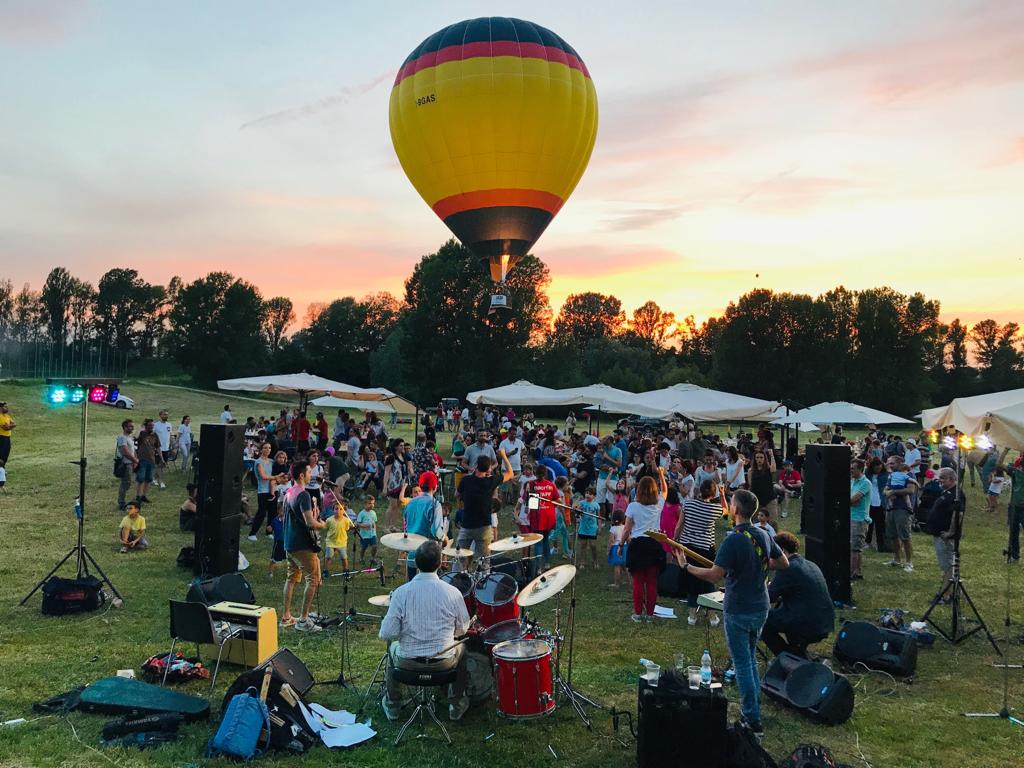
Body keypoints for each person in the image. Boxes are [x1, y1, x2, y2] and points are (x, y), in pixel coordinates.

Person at [675, 489, 788, 741]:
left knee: (743, 664)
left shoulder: (733, 539)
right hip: (761, 607)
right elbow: (783, 563)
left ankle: (752, 720)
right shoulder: (763, 533)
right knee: (748, 659)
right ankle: (753, 709)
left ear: (735, 510)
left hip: (740, 609)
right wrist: (756, 566)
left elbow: (715, 575)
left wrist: (686, 567)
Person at [379, 541, 472, 722]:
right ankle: (457, 704)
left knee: (392, 649)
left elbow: (386, 633)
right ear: (439, 563)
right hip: (443, 662)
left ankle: (393, 705)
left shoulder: (401, 593)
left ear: (416, 564)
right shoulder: (453, 592)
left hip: (408, 663)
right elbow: (462, 629)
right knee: (462, 648)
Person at [762, 531, 835, 657]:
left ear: (782, 551)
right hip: (825, 621)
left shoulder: (788, 568)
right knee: (780, 613)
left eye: (771, 554)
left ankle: (788, 657)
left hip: (807, 623)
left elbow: (768, 598)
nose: (768, 559)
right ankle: (796, 652)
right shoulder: (810, 564)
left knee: (760, 620)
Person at [281, 460, 326, 631]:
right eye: (309, 472)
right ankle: (303, 620)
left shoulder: (289, 492)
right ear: (301, 475)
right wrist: (323, 524)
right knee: (313, 580)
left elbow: (293, 518)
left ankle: (286, 617)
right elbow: (310, 523)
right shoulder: (303, 495)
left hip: (289, 543)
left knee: (291, 578)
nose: (311, 475)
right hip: (302, 545)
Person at [620, 468, 668, 623]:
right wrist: (661, 474)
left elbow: (627, 528)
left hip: (638, 544)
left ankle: (638, 613)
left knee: (638, 581)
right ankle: (650, 614)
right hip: (654, 543)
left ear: (638, 490)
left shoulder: (633, 506)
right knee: (652, 582)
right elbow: (665, 490)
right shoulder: (659, 503)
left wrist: (621, 544)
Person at [673, 479, 721, 625]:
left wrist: (675, 541)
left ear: (699, 490)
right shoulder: (715, 509)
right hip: (705, 548)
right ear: (713, 494)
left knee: (692, 580)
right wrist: (723, 495)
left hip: (687, 547)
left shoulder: (687, 504)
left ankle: (692, 616)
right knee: (707, 581)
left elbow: (679, 525)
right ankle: (712, 616)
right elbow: (725, 509)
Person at [456, 450, 513, 567]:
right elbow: (510, 473)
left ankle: (458, 580)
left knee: (460, 558)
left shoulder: (466, 480)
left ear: (476, 466)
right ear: (488, 469)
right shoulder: (490, 481)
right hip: (484, 526)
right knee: (484, 560)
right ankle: (483, 582)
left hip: (467, 524)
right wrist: (503, 455)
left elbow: (456, 494)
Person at [404, 471, 445, 579]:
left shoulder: (410, 503)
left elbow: (406, 526)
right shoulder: (435, 504)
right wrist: (444, 538)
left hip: (412, 551)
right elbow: (437, 532)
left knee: (411, 585)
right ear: (435, 487)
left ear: (420, 486)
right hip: (428, 554)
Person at [926, 468, 962, 586]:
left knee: (948, 565)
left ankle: (948, 594)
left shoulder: (957, 494)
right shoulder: (946, 491)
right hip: (938, 533)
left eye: (942, 478)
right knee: (945, 565)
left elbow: (958, 515)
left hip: (945, 535)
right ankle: (946, 590)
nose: (939, 480)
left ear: (951, 479)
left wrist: (950, 532)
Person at [884, 458, 918, 572]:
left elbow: (910, 490)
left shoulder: (908, 474)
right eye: (888, 463)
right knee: (893, 535)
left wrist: (893, 492)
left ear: (899, 463)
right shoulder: (892, 475)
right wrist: (887, 492)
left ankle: (909, 562)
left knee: (905, 536)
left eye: (892, 463)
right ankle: (897, 559)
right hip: (891, 508)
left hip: (903, 509)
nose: (889, 465)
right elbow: (886, 489)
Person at [849, 459, 873, 581]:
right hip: (850, 516)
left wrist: (851, 501)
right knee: (850, 546)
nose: (851, 470)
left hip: (859, 519)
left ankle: (855, 573)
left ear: (860, 469)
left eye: (853, 468)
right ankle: (852, 571)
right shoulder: (852, 481)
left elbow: (853, 500)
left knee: (855, 548)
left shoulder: (866, 483)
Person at [249, 442, 275, 541]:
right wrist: (276, 477)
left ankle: (269, 532)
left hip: (272, 490)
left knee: (272, 512)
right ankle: (252, 533)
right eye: (265, 448)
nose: (267, 449)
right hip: (263, 491)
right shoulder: (258, 462)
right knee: (261, 512)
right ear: (261, 449)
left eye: (269, 448)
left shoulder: (272, 461)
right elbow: (263, 477)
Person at [596, 435, 623, 519]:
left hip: (613, 478)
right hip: (601, 477)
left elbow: (619, 464)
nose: (602, 440)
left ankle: (612, 518)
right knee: (600, 500)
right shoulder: (601, 449)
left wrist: (607, 457)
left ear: (610, 440)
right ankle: (602, 518)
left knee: (612, 500)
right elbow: (598, 461)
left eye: (604, 439)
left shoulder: (617, 450)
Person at [135, 418, 161, 504]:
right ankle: (138, 496)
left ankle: (143, 496)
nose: (151, 427)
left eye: (152, 425)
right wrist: (140, 427)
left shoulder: (155, 435)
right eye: (149, 425)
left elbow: (157, 447)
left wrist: (162, 458)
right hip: (142, 459)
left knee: (148, 479)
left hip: (151, 460)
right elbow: (135, 437)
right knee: (141, 478)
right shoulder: (142, 434)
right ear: (146, 426)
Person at [324, 500, 353, 576]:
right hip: (331, 542)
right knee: (328, 557)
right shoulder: (329, 520)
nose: (338, 511)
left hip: (342, 542)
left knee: (344, 558)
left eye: (341, 509)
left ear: (344, 511)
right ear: (333, 510)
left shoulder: (346, 521)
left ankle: (345, 570)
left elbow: (347, 529)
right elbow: (326, 528)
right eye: (336, 509)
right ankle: (326, 571)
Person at [115, 419, 139, 511]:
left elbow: (133, 450)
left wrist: (135, 460)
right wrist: (135, 460)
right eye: (130, 426)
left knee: (127, 483)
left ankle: (122, 501)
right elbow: (125, 451)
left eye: (133, 426)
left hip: (130, 463)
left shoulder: (130, 438)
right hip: (125, 464)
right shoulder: (122, 438)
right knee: (125, 483)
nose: (132, 428)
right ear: (125, 427)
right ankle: (121, 503)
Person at [576, 487, 600, 568]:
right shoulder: (582, 503)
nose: (587, 495)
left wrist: (599, 527)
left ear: (594, 496)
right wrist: (578, 503)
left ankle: (595, 561)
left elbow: (599, 517)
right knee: (583, 545)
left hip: (592, 528)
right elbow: (575, 509)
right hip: (583, 528)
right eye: (586, 493)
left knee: (593, 546)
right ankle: (582, 562)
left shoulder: (596, 505)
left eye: (590, 494)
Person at [356, 495, 379, 565]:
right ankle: (361, 558)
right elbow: (358, 524)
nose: (371, 505)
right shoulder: (362, 513)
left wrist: (374, 526)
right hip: (364, 535)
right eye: (369, 503)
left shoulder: (373, 513)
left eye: (373, 503)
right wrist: (365, 525)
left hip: (372, 534)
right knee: (364, 547)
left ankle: (373, 558)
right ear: (365, 504)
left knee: (375, 546)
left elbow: (374, 522)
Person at [152, 410, 172, 489]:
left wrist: (172, 446)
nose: (166, 416)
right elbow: (152, 436)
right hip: (158, 448)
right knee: (159, 465)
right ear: (160, 415)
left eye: (167, 415)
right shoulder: (156, 425)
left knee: (163, 465)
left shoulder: (169, 425)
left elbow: (169, 435)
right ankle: (161, 482)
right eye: (164, 415)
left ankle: (154, 478)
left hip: (166, 448)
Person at [607, 510, 628, 587]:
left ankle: (616, 583)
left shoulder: (613, 529)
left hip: (616, 548)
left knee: (617, 566)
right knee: (625, 566)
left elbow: (611, 541)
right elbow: (628, 538)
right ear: (623, 519)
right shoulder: (625, 527)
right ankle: (629, 581)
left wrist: (608, 550)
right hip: (624, 547)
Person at [0, 401, 14, 466]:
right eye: (5, 407)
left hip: (7, 437)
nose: (7, 408)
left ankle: (2, 469)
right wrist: (9, 426)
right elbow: (5, 428)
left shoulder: (7, 416)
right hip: (1, 438)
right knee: (1, 455)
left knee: (5, 454)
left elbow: (14, 424)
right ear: (0, 408)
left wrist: (9, 426)